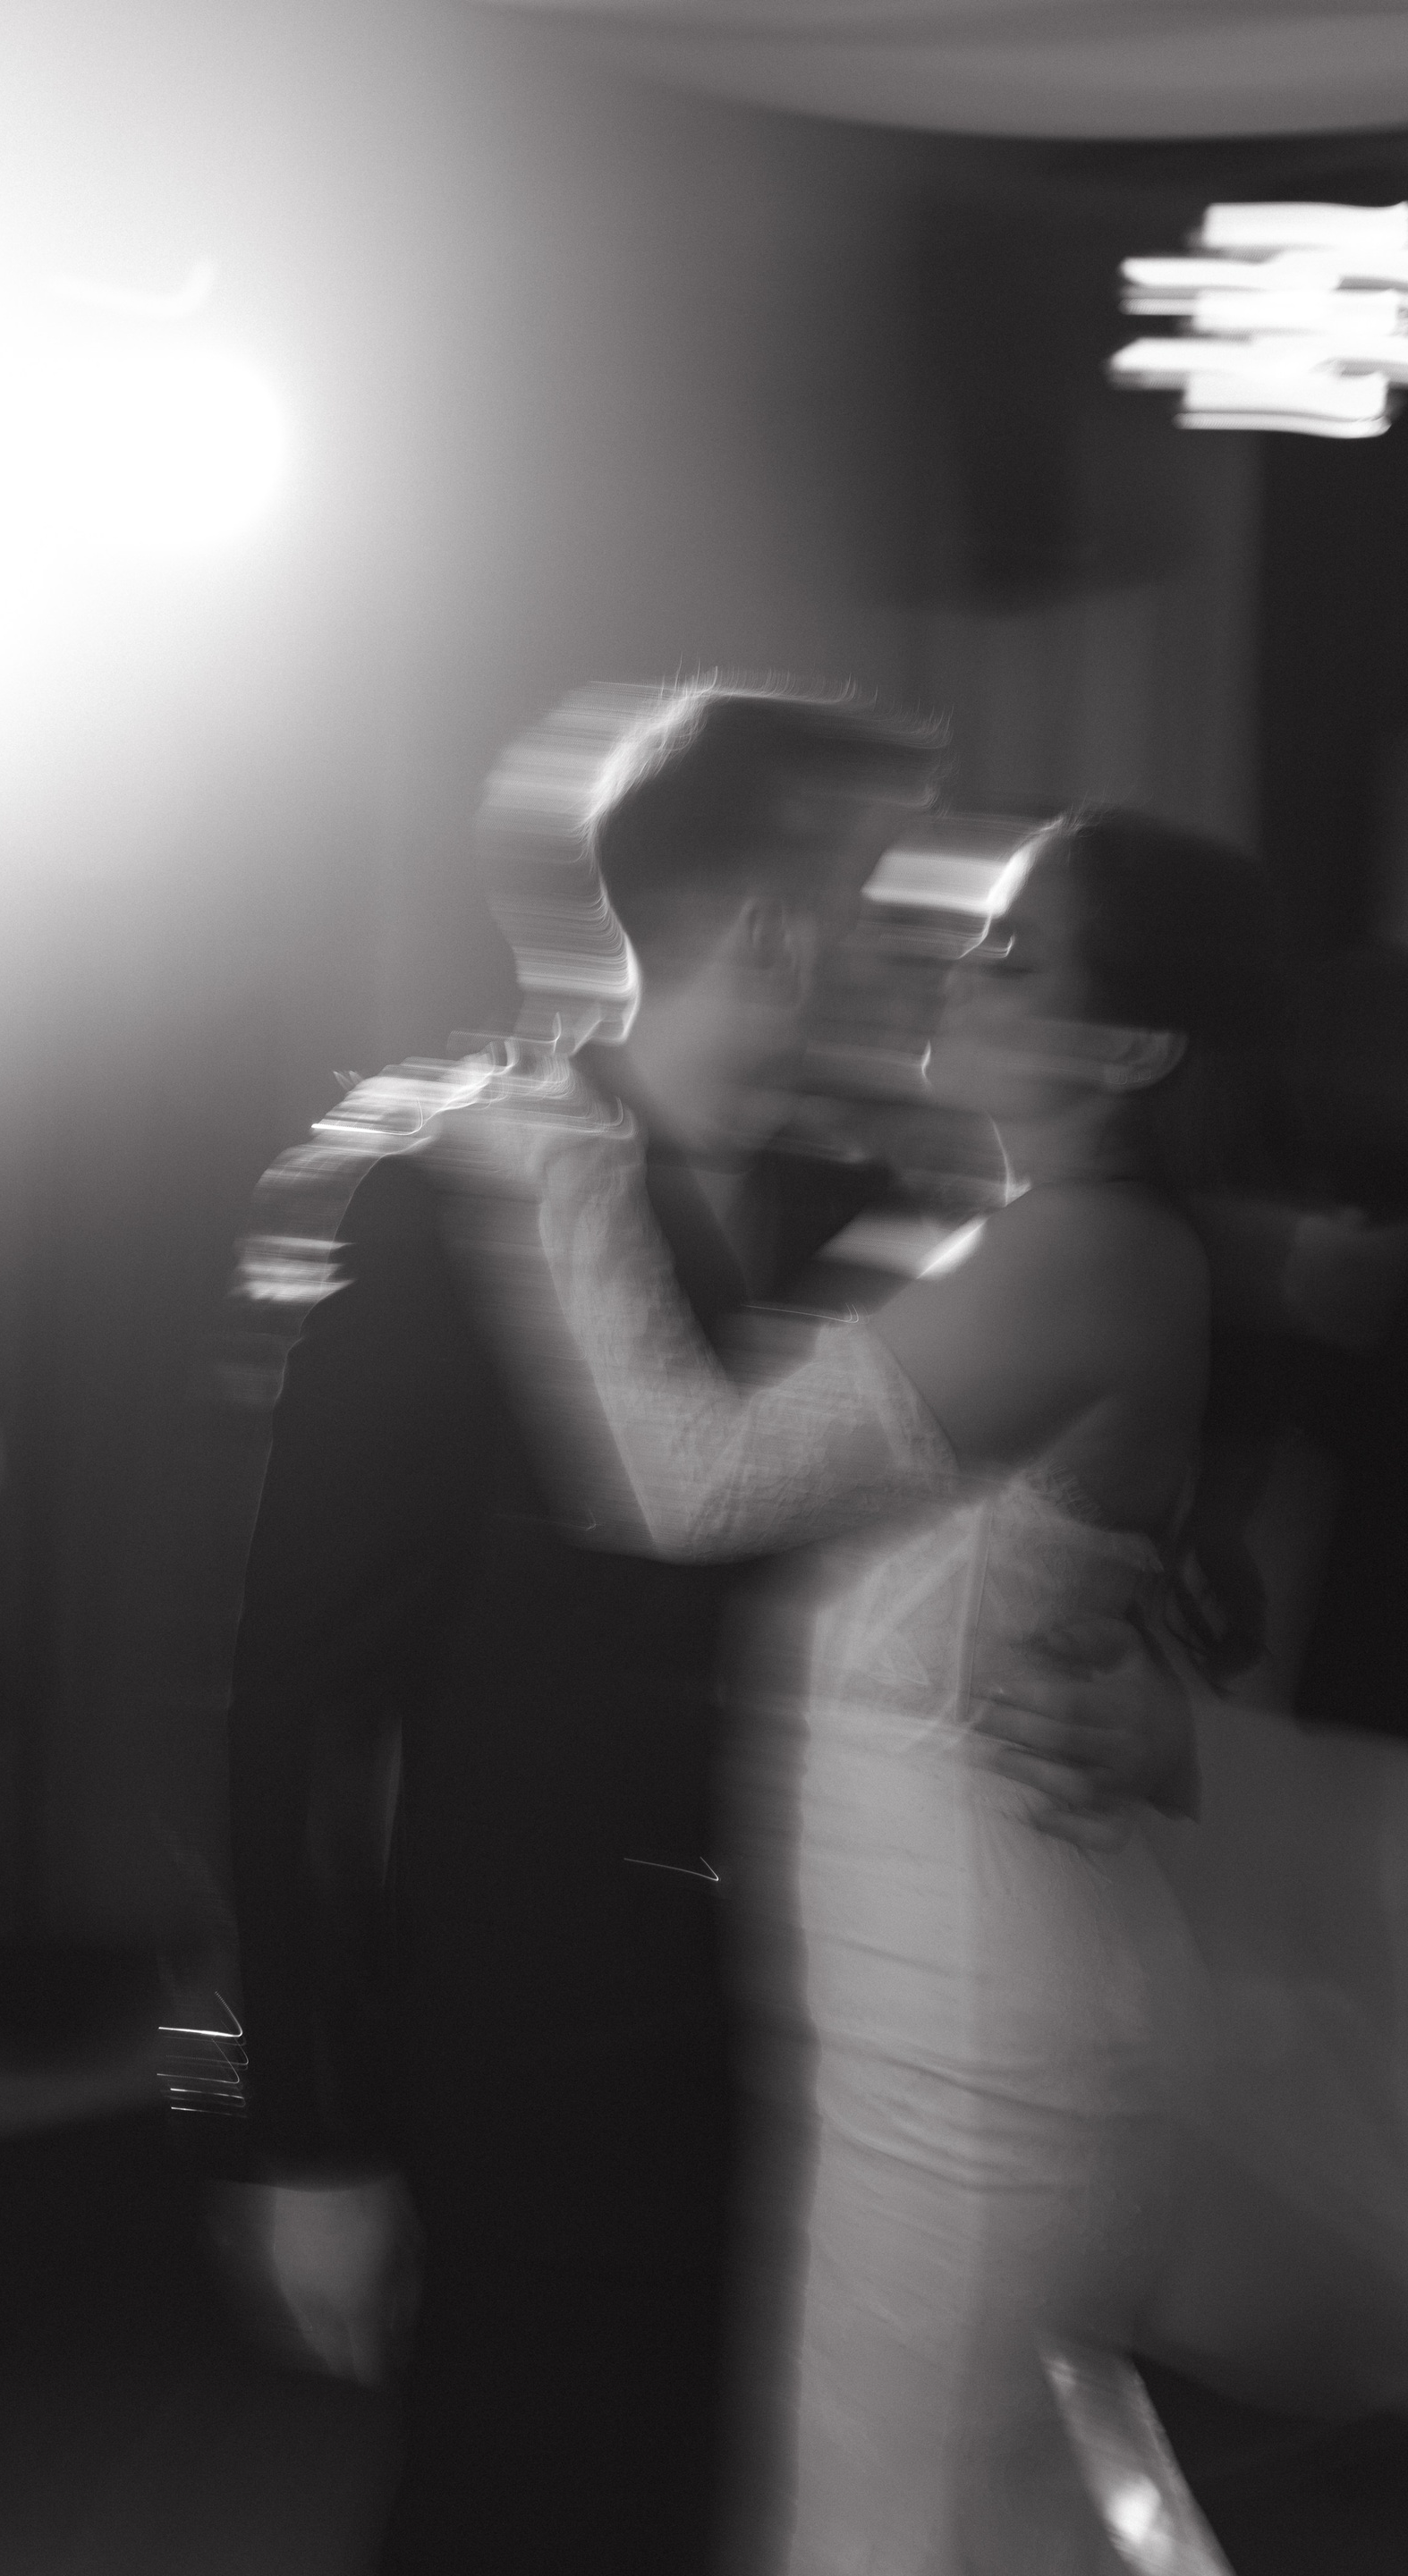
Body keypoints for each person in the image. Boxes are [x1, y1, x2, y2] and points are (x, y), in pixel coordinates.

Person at [223, 691, 1200, 2576]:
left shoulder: (904, 1225)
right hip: (537, 2056)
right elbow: (298, 1694)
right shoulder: (443, 1205)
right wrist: (305, 2129)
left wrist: (1147, 1700)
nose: (928, 950)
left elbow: (1060, 1552)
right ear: (774, 923)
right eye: (895, 902)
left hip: (851, 2063)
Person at [432, 801, 1281, 2574]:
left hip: (971, 2033)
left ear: (1133, 1046)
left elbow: (693, 1481)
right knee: (998, 2525)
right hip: (936, 1999)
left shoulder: (1085, 1250)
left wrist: (557, 1157)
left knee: (891, 2539)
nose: (957, 962)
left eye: (1014, 951)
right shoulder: (1022, 1229)